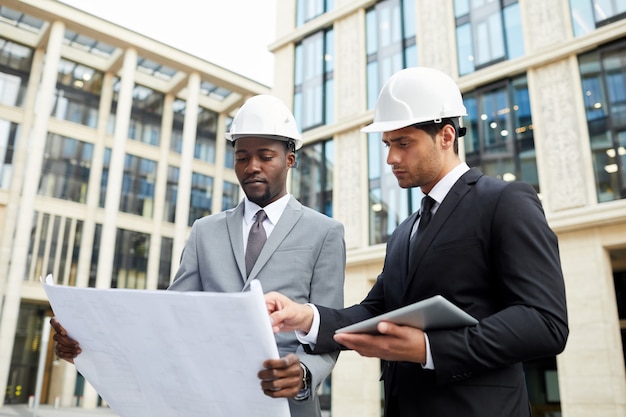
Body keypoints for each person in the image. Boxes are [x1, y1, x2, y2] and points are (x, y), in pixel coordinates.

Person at [265, 67, 569, 417]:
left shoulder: (505, 201)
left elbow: (545, 322)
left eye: (403, 143)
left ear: (446, 135)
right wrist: (305, 317)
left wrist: (428, 348)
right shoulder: (404, 231)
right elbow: (375, 311)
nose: (391, 158)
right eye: (388, 144)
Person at [51, 94, 346, 417]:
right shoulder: (205, 231)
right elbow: (170, 319)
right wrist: (86, 346)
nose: (252, 167)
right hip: (208, 401)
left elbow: (330, 333)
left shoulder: (324, 232)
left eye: (265, 156)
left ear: (290, 159)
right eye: (242, 157)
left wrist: (303, 373)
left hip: (287, 406)